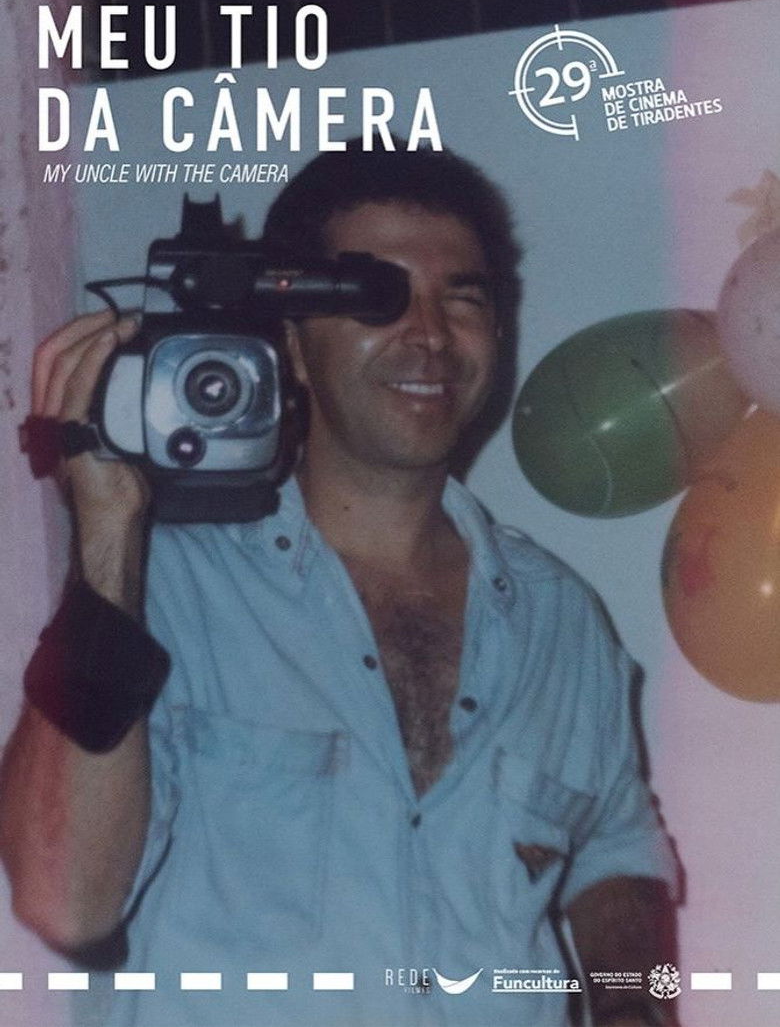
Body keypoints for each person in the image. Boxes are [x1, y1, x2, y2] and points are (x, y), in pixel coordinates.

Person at [0, 142, 680, 1027]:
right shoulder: (158, 590)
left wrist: (637, 1008)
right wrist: (104, 530)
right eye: (378, 297)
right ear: (291, 340)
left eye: (463, 298)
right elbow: (64, 902)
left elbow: (617, 852)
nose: (429, 334)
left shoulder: (562, 621)